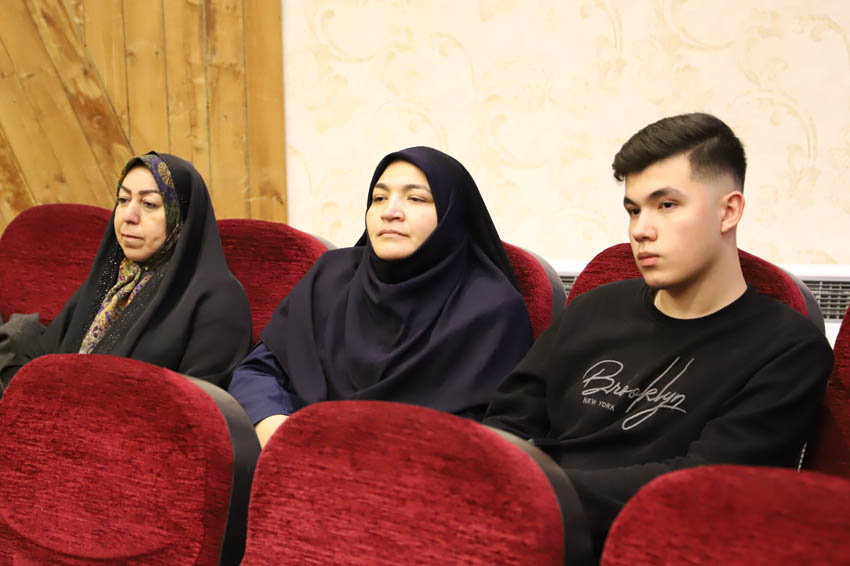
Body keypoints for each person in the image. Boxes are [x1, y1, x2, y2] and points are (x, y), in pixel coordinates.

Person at [483, 113, 833, 560]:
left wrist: (533, 488)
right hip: (523, 529)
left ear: (728, 211)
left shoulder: (788, 348)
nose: (640, 230)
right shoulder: (595, 307)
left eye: (666, 205)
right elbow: (509, 419)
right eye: (633, 210)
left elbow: (702, 486)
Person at [228, 146, 533, 447]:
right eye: (379, 198)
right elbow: (258, 371)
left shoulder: (491, 308)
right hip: (297, 455)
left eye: (415, 198)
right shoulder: (330, 277)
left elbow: (492, 434)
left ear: (452, 215)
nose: (390, 212)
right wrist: (278, 431)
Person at [0, 152, 252, 390]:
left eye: (149, 204)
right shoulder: (115, 277)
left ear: (182, 217)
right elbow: (47, 357)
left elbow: (199, 403)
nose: (128, 216)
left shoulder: (219, 299)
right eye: (122, 200)